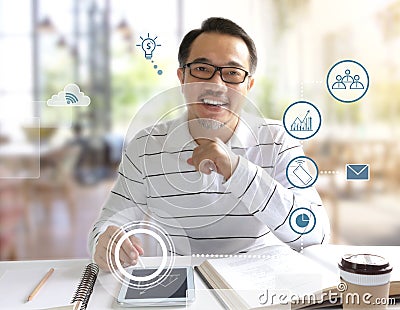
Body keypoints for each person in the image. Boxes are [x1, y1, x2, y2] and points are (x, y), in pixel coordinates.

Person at [89, 17, 330, 271]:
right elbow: (108, 224)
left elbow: (315, 234)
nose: (216, 85)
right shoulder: (145, 146)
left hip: (262, 284)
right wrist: (105, 242)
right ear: (182, 77)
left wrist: (237, 170)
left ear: (248, 86)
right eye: (202, 69)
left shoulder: (278, 140)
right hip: (179, 281)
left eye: (232, 74)